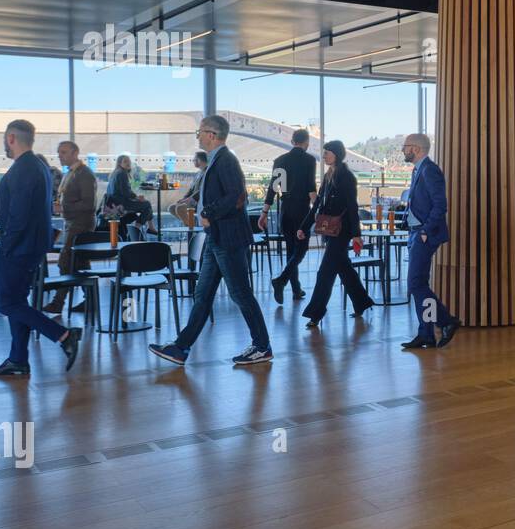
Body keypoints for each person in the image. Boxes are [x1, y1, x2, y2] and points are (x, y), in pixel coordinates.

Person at [148, 115, 273, 366]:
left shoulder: (226, 160)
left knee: (240, 294)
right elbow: (217, 192)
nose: (198, 136)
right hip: (216, 238)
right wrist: (194, 201)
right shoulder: (215, 162)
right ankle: (181, 348)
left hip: (228, 238)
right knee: (202, 295)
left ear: (212, 135)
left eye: (200, 132)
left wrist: (207, 213)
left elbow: (237, 196)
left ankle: (262, 346)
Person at [0, 120, 81, 377]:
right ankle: (18, 359)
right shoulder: (36, 166)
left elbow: (19, 216)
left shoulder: (25, 169)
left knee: (6, 303)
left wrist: (5, 249)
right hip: (29, 245)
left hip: (19, 247)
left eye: (5, 139)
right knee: (17, 301)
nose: (4, 144)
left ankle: (63, 335)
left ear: (12, 137)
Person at [298, 140, 374, 327]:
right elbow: (317, 205)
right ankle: (362, 302)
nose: (324, 156)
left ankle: (315, 313)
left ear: (337, 154)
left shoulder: (346, 177)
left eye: (327, 153)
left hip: (342, 231)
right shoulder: (329, 175)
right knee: (344, 269)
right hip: (330, 230)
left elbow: (351, 206)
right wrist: (304, 226)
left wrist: (356, 234)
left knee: (325, 272)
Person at [400, 133, 459, 349]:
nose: (402, 151)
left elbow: (440, 205)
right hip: (415, 233)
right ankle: (426, 332)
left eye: (405, 147)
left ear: (415, 148)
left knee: (416, 283)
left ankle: (445, 321)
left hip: (424, 234)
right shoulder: (419, 170)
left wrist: (424, 231)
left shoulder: (429, 170)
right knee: (418, 284)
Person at [260, 128, 317, 304]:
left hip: (285, 209)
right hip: (301, 209)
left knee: (291, 249)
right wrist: (318, 210)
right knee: (301, 249)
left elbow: (273, 188)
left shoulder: (280, 160)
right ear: (307, 142)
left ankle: (296, 289)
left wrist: (264, 212)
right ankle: (281, 281)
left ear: (292, 142)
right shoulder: (309, 160)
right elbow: (311, 188)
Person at [43, 140, 98, 315]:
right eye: (59, 152)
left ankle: (58, 302)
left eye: (64, 152)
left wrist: (63, 208)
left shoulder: (84, 174)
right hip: (72, 222)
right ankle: (91, 300)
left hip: (81, 223)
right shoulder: (71, 173)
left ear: (75, 153)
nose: (60, 155)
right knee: (80, 262)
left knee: (65, 261)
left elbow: (89, 204)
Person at [106, 153, 159, 235]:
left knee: (146, 206)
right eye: (125, 161)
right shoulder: (121, 173)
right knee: (147, 204)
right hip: (121, 204)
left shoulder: (115, 173)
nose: (128, 163)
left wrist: (136, 198)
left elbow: (122, 191)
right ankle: (137, 229)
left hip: (115, 203)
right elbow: (126, 192)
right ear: (120, 163)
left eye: (129, 161)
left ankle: (149, 228)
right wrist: (137, 197)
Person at [168, 150, 208, 220]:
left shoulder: (207, 173)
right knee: (171, 208)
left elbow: (201, 190)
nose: (193, 161)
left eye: (194, 160)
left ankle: (190, 226)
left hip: (198, 201)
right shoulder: (198, 173)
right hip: (191, 200)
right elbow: (191, 190)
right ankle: (188, 224)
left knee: (180, 208)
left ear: (199, 160)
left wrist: (188, 200)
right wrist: (184, 199)